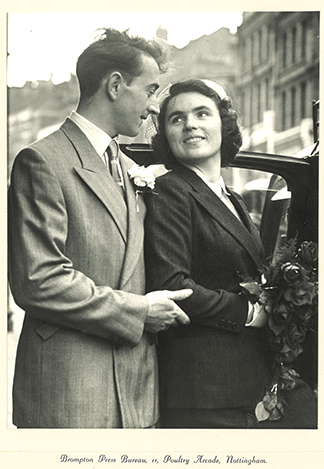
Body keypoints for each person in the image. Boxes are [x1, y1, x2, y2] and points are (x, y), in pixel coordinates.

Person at [8, 28, 192, 429]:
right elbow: (38, 281)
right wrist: (139, 310)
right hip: (70, 389)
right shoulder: (42, 161)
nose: (152, 108)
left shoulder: (129, 168)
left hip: (135, 389)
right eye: (150, 90)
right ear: (114, 85)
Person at [144, 79, 272, 428]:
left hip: (240, 382)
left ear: (223, 124)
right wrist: (248, 311)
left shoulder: (232, 198)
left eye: (202, 113)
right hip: (202, 388)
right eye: (177, 119)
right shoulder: (171, 191)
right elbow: (173, 285)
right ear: (166, 135)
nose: (190, 125)